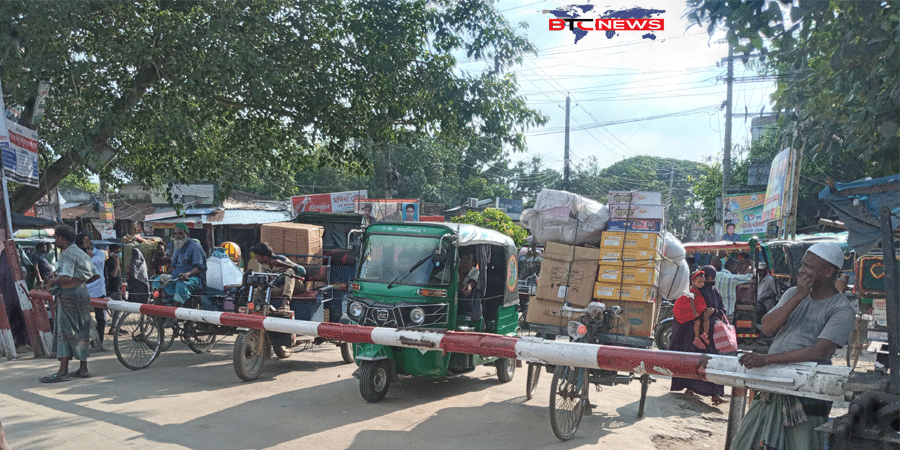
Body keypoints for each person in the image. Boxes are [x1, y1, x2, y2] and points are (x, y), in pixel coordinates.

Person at [733, 242, 855, 450]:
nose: (801, 270)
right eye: (802, 264)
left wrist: (766, 360)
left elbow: (819, 351)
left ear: (828, 272)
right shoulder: (792, 294)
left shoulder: (841, 308)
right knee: (745, 443)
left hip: (806, 393)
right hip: (772, 386)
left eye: (808, 266)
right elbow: (768, 327)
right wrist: (798, 296)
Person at [41, 225, 99, 383]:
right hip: (82, 293)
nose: (55, 241)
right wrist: (79, 281)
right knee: (82, 330)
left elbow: (65, 277)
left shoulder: (67, 254)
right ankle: (83, 368)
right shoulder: (81, 253)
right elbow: (94, 275)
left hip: (68, 296)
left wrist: (53, 280)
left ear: (62, 238)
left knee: (64, 332)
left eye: (56, 238)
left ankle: (63, 370)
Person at [669, 265, 729, 405]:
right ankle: (689, 388)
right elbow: (683, 309)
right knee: (692, 360)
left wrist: (713, 311)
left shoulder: (716, 293)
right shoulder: (693, 291)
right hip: (692, 335)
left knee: (711, 362)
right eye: (707, 277)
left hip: (710, 337)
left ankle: (715, 394)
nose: (709, 280)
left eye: (711, 277)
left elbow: (722, 311)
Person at [76, 233, 107, 349]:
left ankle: (100, 339)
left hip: (98, 289)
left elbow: (93, 261)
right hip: (83, 288)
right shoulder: (80, 253)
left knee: (101, 317)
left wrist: (88, 248)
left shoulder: (100, 253)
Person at [162, 223, 206, 306]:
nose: (177, 236)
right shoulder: (177, 247)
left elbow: (199, 267)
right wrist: (165, 274)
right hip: (177, 276)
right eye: (175, 234)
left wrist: (187, 274)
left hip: (194, 278)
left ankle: (176, 313)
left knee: (180, 285)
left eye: (180, 233)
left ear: (187, 234)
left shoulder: (195, 247)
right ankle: (159, 313)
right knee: (157, 281)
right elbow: (173, 266)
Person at [674, 270, 713, 349]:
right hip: (689, 310)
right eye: (699, 282)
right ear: (692, 281)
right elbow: (691, 301)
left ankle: (701, 336)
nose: (702, 284)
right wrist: (694, 312)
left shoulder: (694, 290)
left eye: (703, 282)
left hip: (692, 309)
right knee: (699, 321)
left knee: (701, 320)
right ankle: (699, 337)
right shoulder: (692, 291)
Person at [104, 244, 123, 334]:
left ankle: (117, 326)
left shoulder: (116, 262)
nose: (118, 254)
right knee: (118, 309)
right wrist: (116, 263)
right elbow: (114, 274)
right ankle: (114, 328)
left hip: (117, 288)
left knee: (116, 310)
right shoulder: (110, 262)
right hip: (112, 289)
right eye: (116, 252)